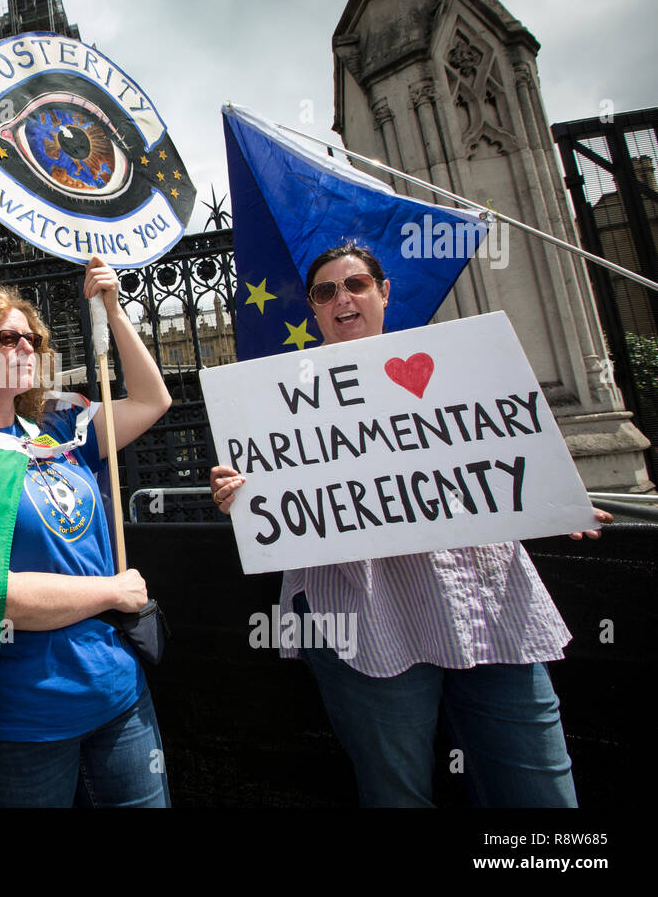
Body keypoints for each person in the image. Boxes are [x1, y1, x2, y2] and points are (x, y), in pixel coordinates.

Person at [209, 241, 612, 808]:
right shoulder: (275, 399)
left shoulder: (457, 366)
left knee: (538, 789)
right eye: (325, 292)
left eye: (355, 285)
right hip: (362, 612)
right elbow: (275, 499)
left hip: (489, 602)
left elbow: (500, 448)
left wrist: (553, 497)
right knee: (395, 794)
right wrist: (241, 497)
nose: (342, 299)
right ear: (314, 308)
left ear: (383, 292)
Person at [0, 256, 172, 807]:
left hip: (119, 697)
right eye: (8, 337)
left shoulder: (56, 429)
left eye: (32, 339)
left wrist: (114, 313)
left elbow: (152, 401)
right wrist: (113, 592)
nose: (26, 347)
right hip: (25, 719)